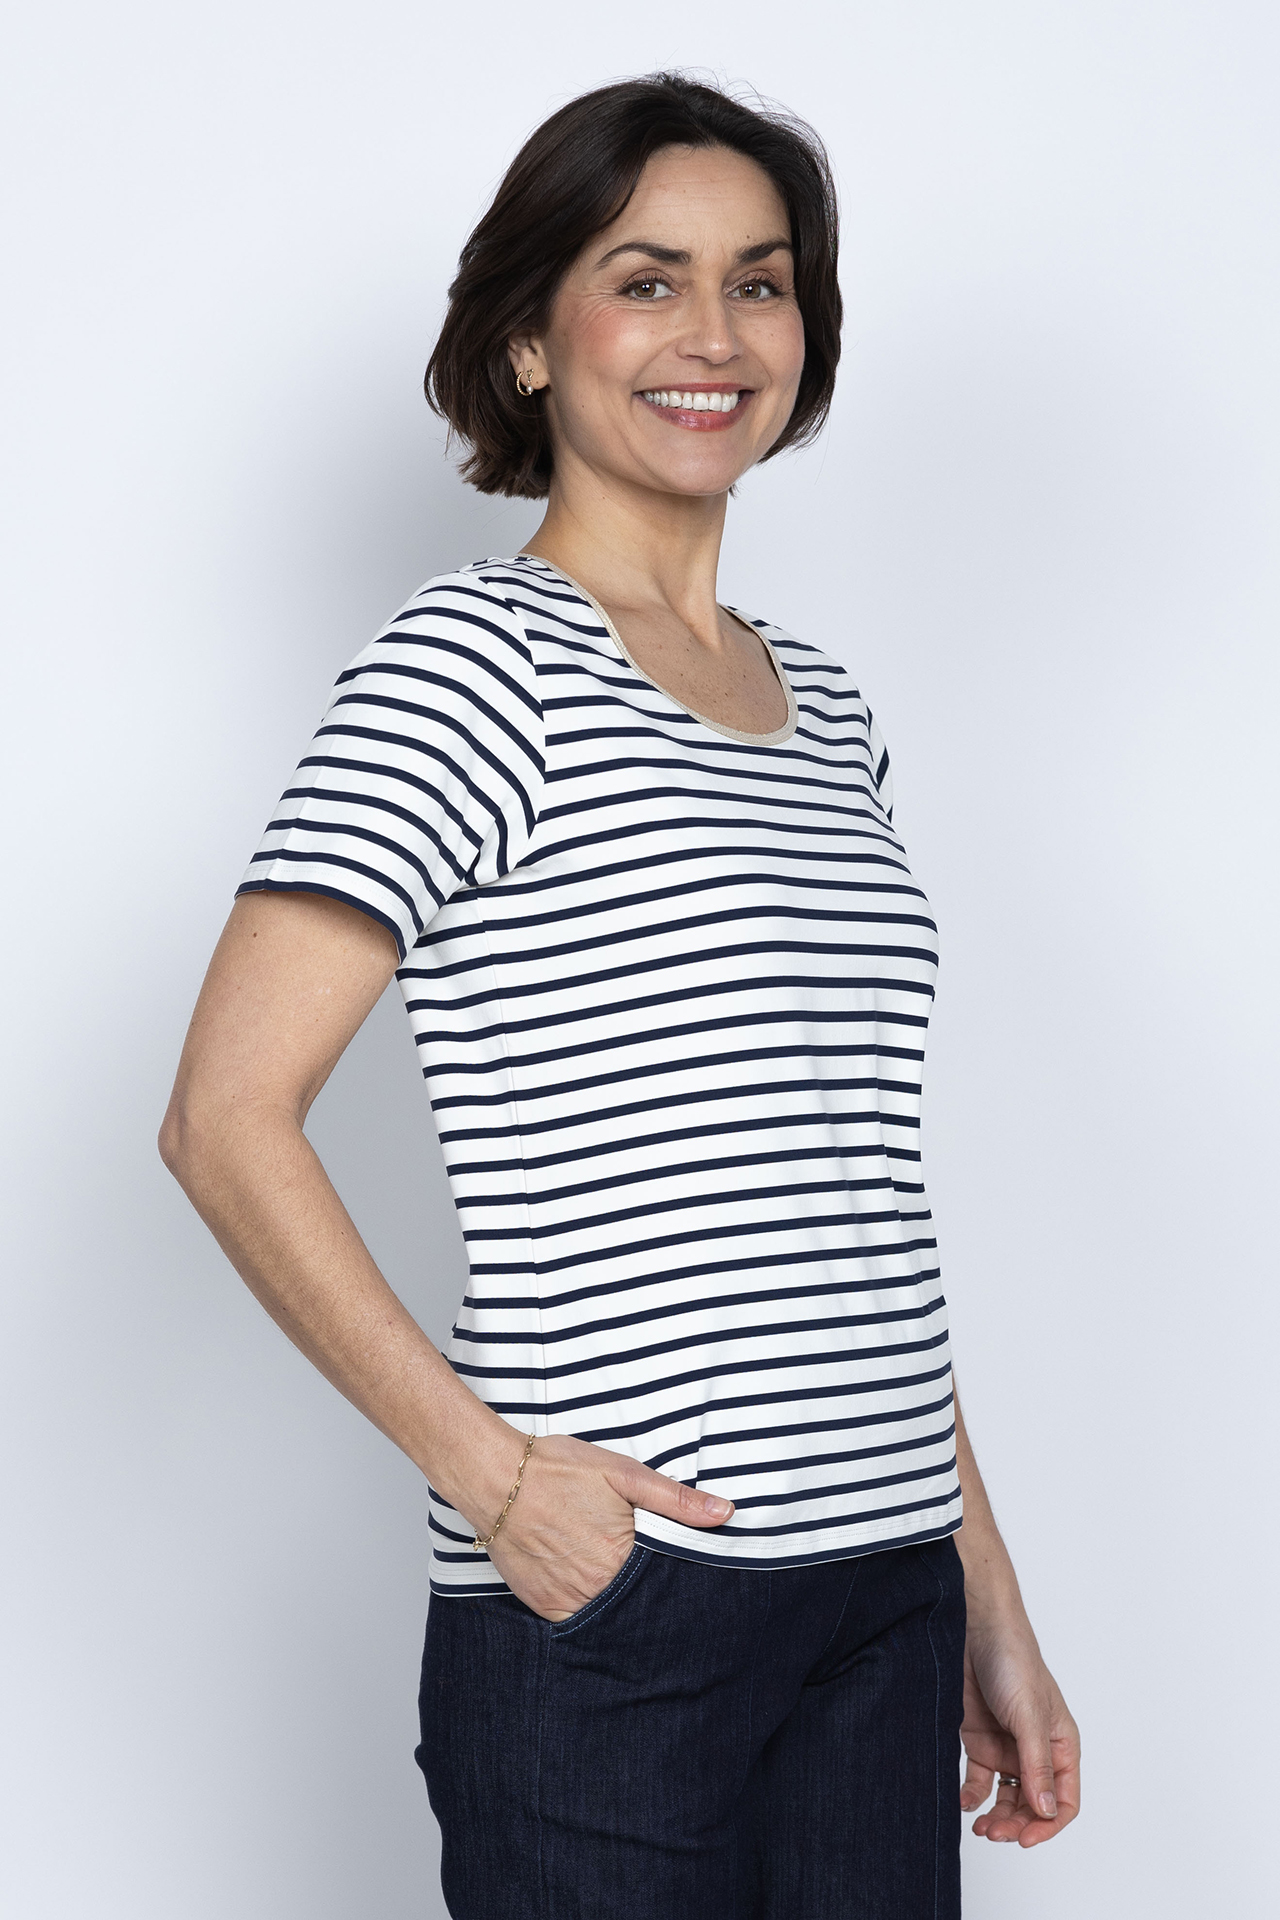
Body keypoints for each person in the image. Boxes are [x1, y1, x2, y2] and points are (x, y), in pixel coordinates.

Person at [161, 71, 1079, 1920]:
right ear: (528, 340)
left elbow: (845, 1188)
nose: (713, 334)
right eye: (646, 280)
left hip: (886, 1594)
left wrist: (985, 1586)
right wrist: (497, 1482)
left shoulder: (829, 708)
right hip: (626, 1612)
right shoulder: (470, 667)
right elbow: (222, 1120)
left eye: (761, 282)